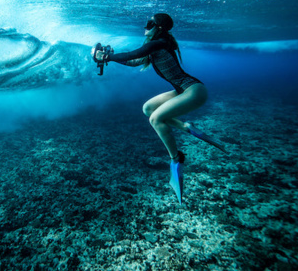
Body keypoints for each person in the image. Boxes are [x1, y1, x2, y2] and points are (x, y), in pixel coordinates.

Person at [94, 13, 223, 204]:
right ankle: (187, 127)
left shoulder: (159, 43)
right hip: (183, 89)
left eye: (150, 23)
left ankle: (176, 159)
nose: (145, 26)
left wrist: (107, 56)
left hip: (193, 90)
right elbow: (133, 60)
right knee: (148, 109)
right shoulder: (155, 45)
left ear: (159, 27)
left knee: (155, 119)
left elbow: (133, 54)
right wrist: (110, 58)